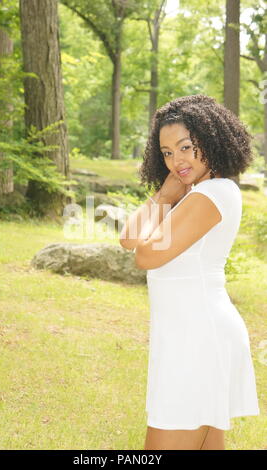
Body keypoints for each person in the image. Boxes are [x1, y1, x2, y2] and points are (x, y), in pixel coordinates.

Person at [119, 94, 260, 450]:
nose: (176, 161)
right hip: (191, 336)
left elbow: (145, 256)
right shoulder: (198, 192)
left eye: (185, 147)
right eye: (167, 152)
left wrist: (168, 200)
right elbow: (129, 238)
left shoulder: (210, 194)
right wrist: (165, 194)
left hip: (199, 341)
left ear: (211, 139)